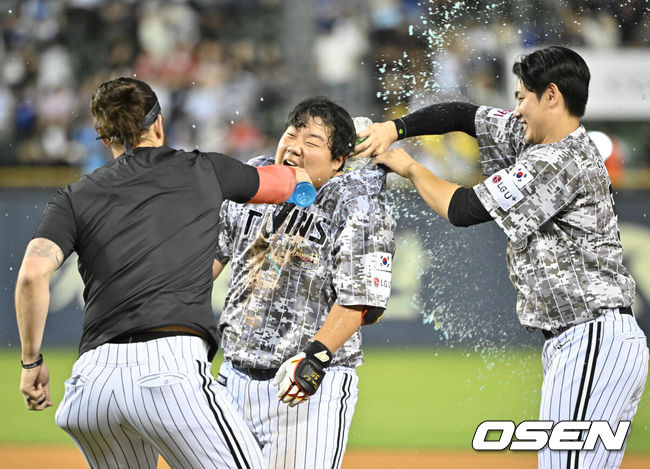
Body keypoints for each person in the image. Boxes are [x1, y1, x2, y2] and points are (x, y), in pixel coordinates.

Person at [354, 46, 648, 469]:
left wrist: (411, 168)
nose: (517, 108)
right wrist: (394, 128)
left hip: (592, 338)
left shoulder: (559, 160)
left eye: (522, 97)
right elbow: (463, 116)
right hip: (582, 340)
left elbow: (464, 209)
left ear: (552, 96)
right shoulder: (537, 137)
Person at [15, 76, 310, 469]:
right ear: (158, 123)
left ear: (105, 140)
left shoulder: (74, 197)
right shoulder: (204, 169)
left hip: (91, 388)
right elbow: (289, 184)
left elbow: (32, 275)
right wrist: (305, 177)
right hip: (169, 371)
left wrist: (31, 363)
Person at [213, 96, 396, 469]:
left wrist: (315, 358)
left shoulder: (356, 204)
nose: (294, 147)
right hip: (230, 380)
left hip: (307, 390)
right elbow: (210, 261)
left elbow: (361, 302)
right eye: (291, 134)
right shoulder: (253, 182)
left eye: (312, 142)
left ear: (338, 161)